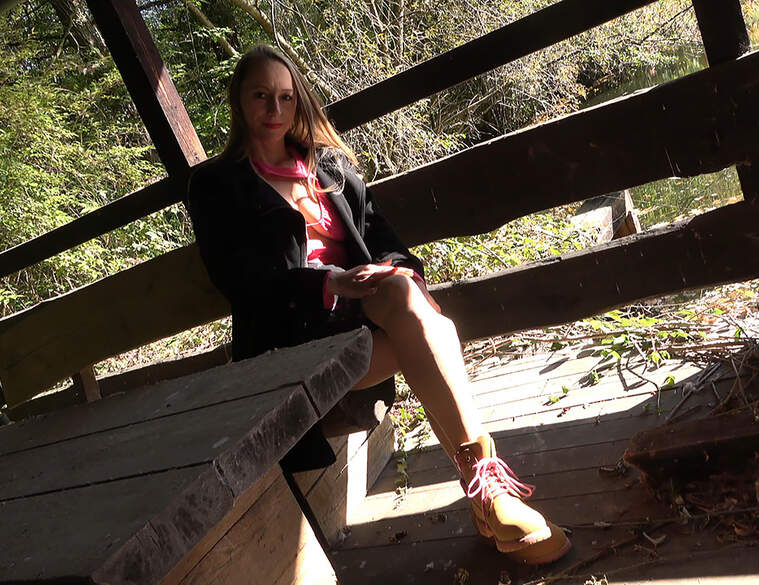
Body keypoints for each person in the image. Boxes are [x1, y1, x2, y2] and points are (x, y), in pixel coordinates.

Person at [186, 45, 571, 565]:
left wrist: (387, 270)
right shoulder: (217, 184)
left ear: (299, 101)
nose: (275, 109)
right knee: (433, 336)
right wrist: (329, 283)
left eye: (285, 97)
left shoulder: (329, 168)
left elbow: (386, 242)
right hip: (292, 337)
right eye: (261, 96)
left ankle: (488, 494)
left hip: (364, 314)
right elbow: (240, 281)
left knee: (407, 297)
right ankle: (489, 494)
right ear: (239, 100)